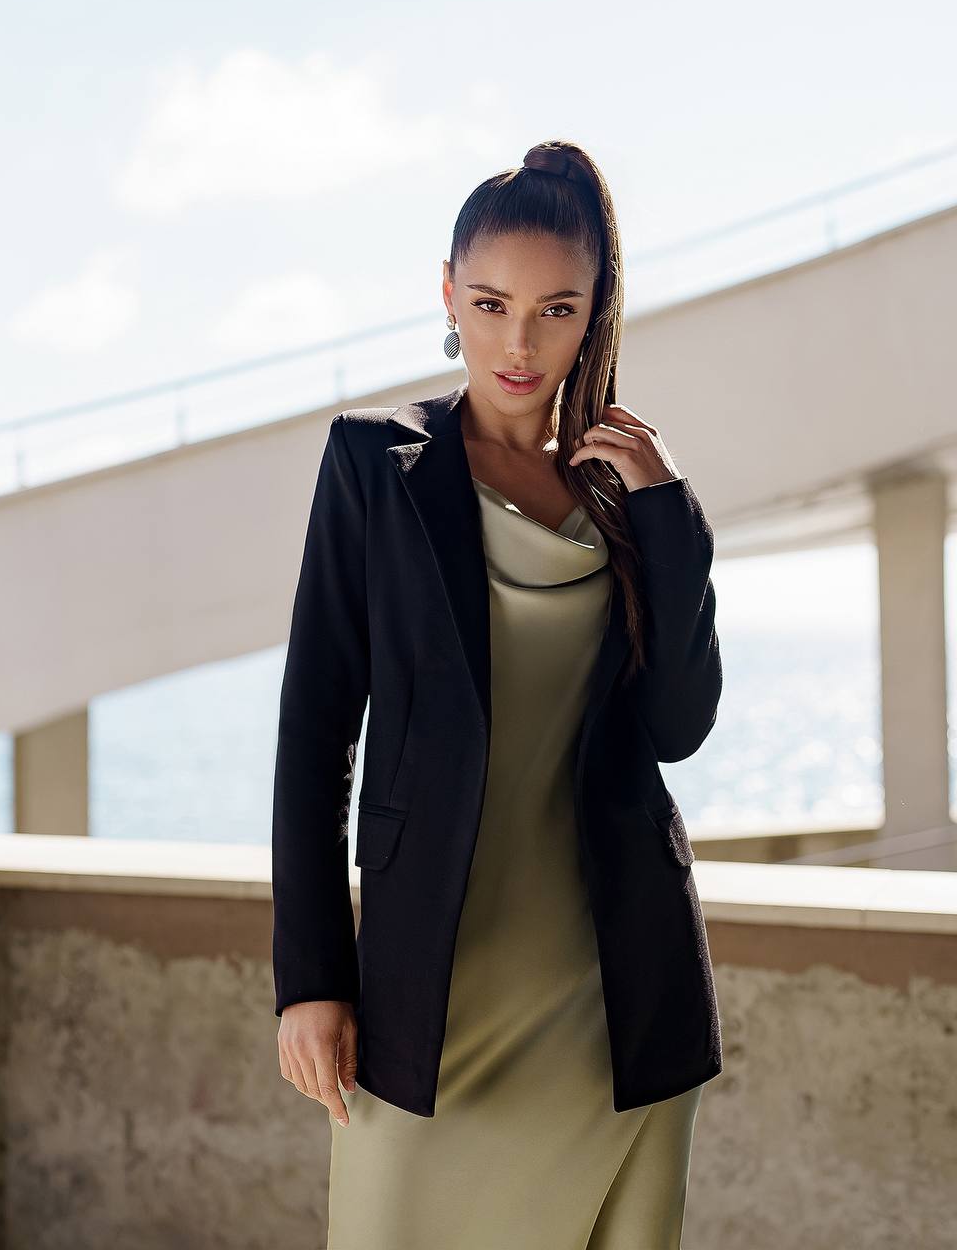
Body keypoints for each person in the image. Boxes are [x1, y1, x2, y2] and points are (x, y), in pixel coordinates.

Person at [273, 138, 723, 1249]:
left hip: (613, 990)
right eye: (490, 302)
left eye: (555, 309)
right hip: (430, 990)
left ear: (593, 311)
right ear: (447, 294)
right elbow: (315, 728)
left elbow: (679, 724)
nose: (518, 343)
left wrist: (667, 509)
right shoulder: (375, 464)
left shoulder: (629, 500)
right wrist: (309, 979)